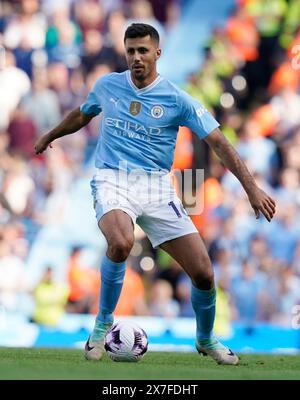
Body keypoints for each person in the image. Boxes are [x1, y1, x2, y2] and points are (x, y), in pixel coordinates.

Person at [34, 23, 276, 365]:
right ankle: (102, 326)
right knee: (120, 242)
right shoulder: (107, 86)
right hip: (112, 178)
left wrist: (252, 189)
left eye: (143, 51)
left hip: (158, 187)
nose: (136, 57)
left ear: (157, 53)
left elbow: (219, 143)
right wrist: (50, 135)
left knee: (204, 273)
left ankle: (205, 339)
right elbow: (82, 114)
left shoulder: (177, 99)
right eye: (131, 50)